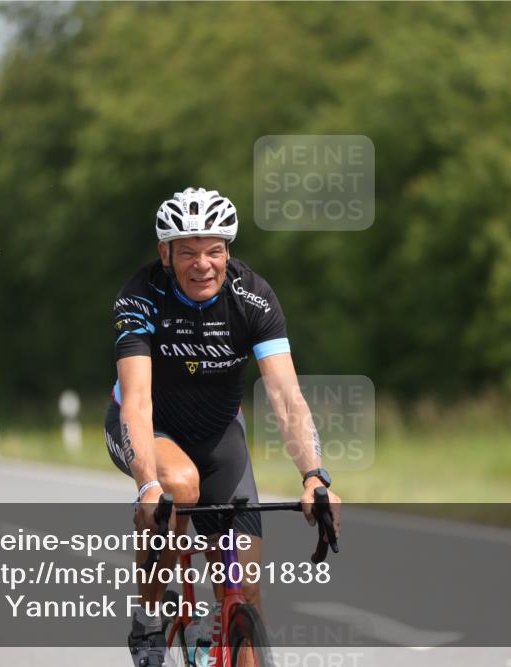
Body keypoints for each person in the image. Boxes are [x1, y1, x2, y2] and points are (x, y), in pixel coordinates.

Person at [105, 187, 342, 667]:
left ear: (228, 252)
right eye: (188, 252)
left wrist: (314, 475)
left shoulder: (253, 297)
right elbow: (137, 400)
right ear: (165, 254)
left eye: (214, 250)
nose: (203, 264)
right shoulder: (140, 295)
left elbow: (285, 396)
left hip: (218, 436)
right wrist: (148, 484)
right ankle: (150, 620)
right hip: (151, 430)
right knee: (179, 487)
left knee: (245, 590)